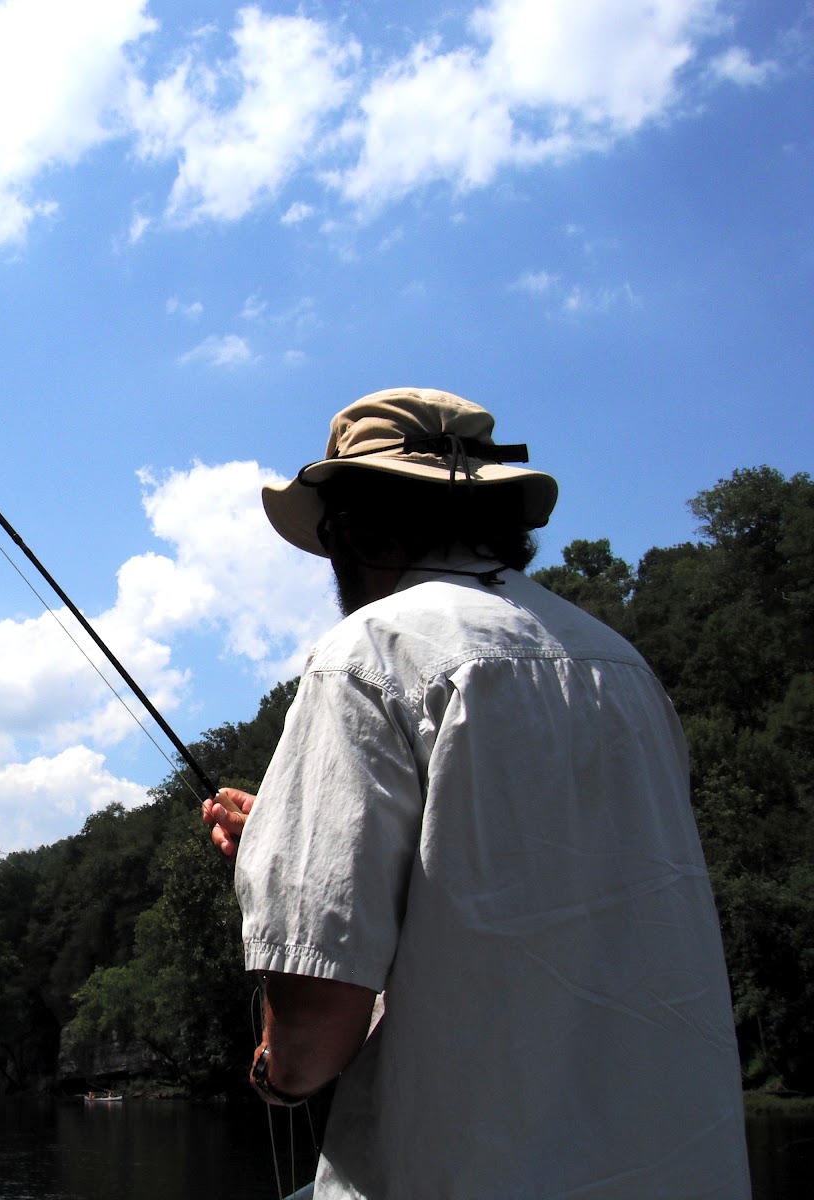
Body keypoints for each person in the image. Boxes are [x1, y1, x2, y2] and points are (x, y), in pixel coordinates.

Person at [204, 388, 749, 1198]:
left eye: (329, 534)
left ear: (357, 525)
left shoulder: (365, 655)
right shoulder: (626, 671)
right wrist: (287, 842)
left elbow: (316, 1031)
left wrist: (272, 1074)